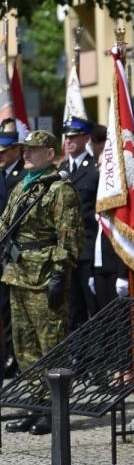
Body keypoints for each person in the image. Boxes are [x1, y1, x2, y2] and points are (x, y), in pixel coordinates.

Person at [0, 130, 84, 434]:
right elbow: (5, 223)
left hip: (45, 274)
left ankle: (55, 411)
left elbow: (69, 235)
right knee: (24, 346)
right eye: (25, 150)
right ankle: (35, 406)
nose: (26, 154)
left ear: (50, 153)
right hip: (18, 273)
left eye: (34, 150)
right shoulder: (23, 186)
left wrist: (61, 274)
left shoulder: (60, 190)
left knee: (51, 345)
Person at [62, 115, 100, 330]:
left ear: (85, 137)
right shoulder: (62, 167)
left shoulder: (95, 167)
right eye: (67, 137)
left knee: (92, 304)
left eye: (73, 137)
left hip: (88, 247)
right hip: (68, 250)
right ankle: (78, 356)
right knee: (73, 306)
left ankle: (98, 355)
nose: (68, 141)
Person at [0, 119, 24, 380]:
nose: (0, 158)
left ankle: (15, 356)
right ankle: (7, 354)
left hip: (18, 252)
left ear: (15, 151)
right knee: (3, 307)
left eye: (4, 153)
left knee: (15, 306)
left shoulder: (23, 176)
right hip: (1, 251)